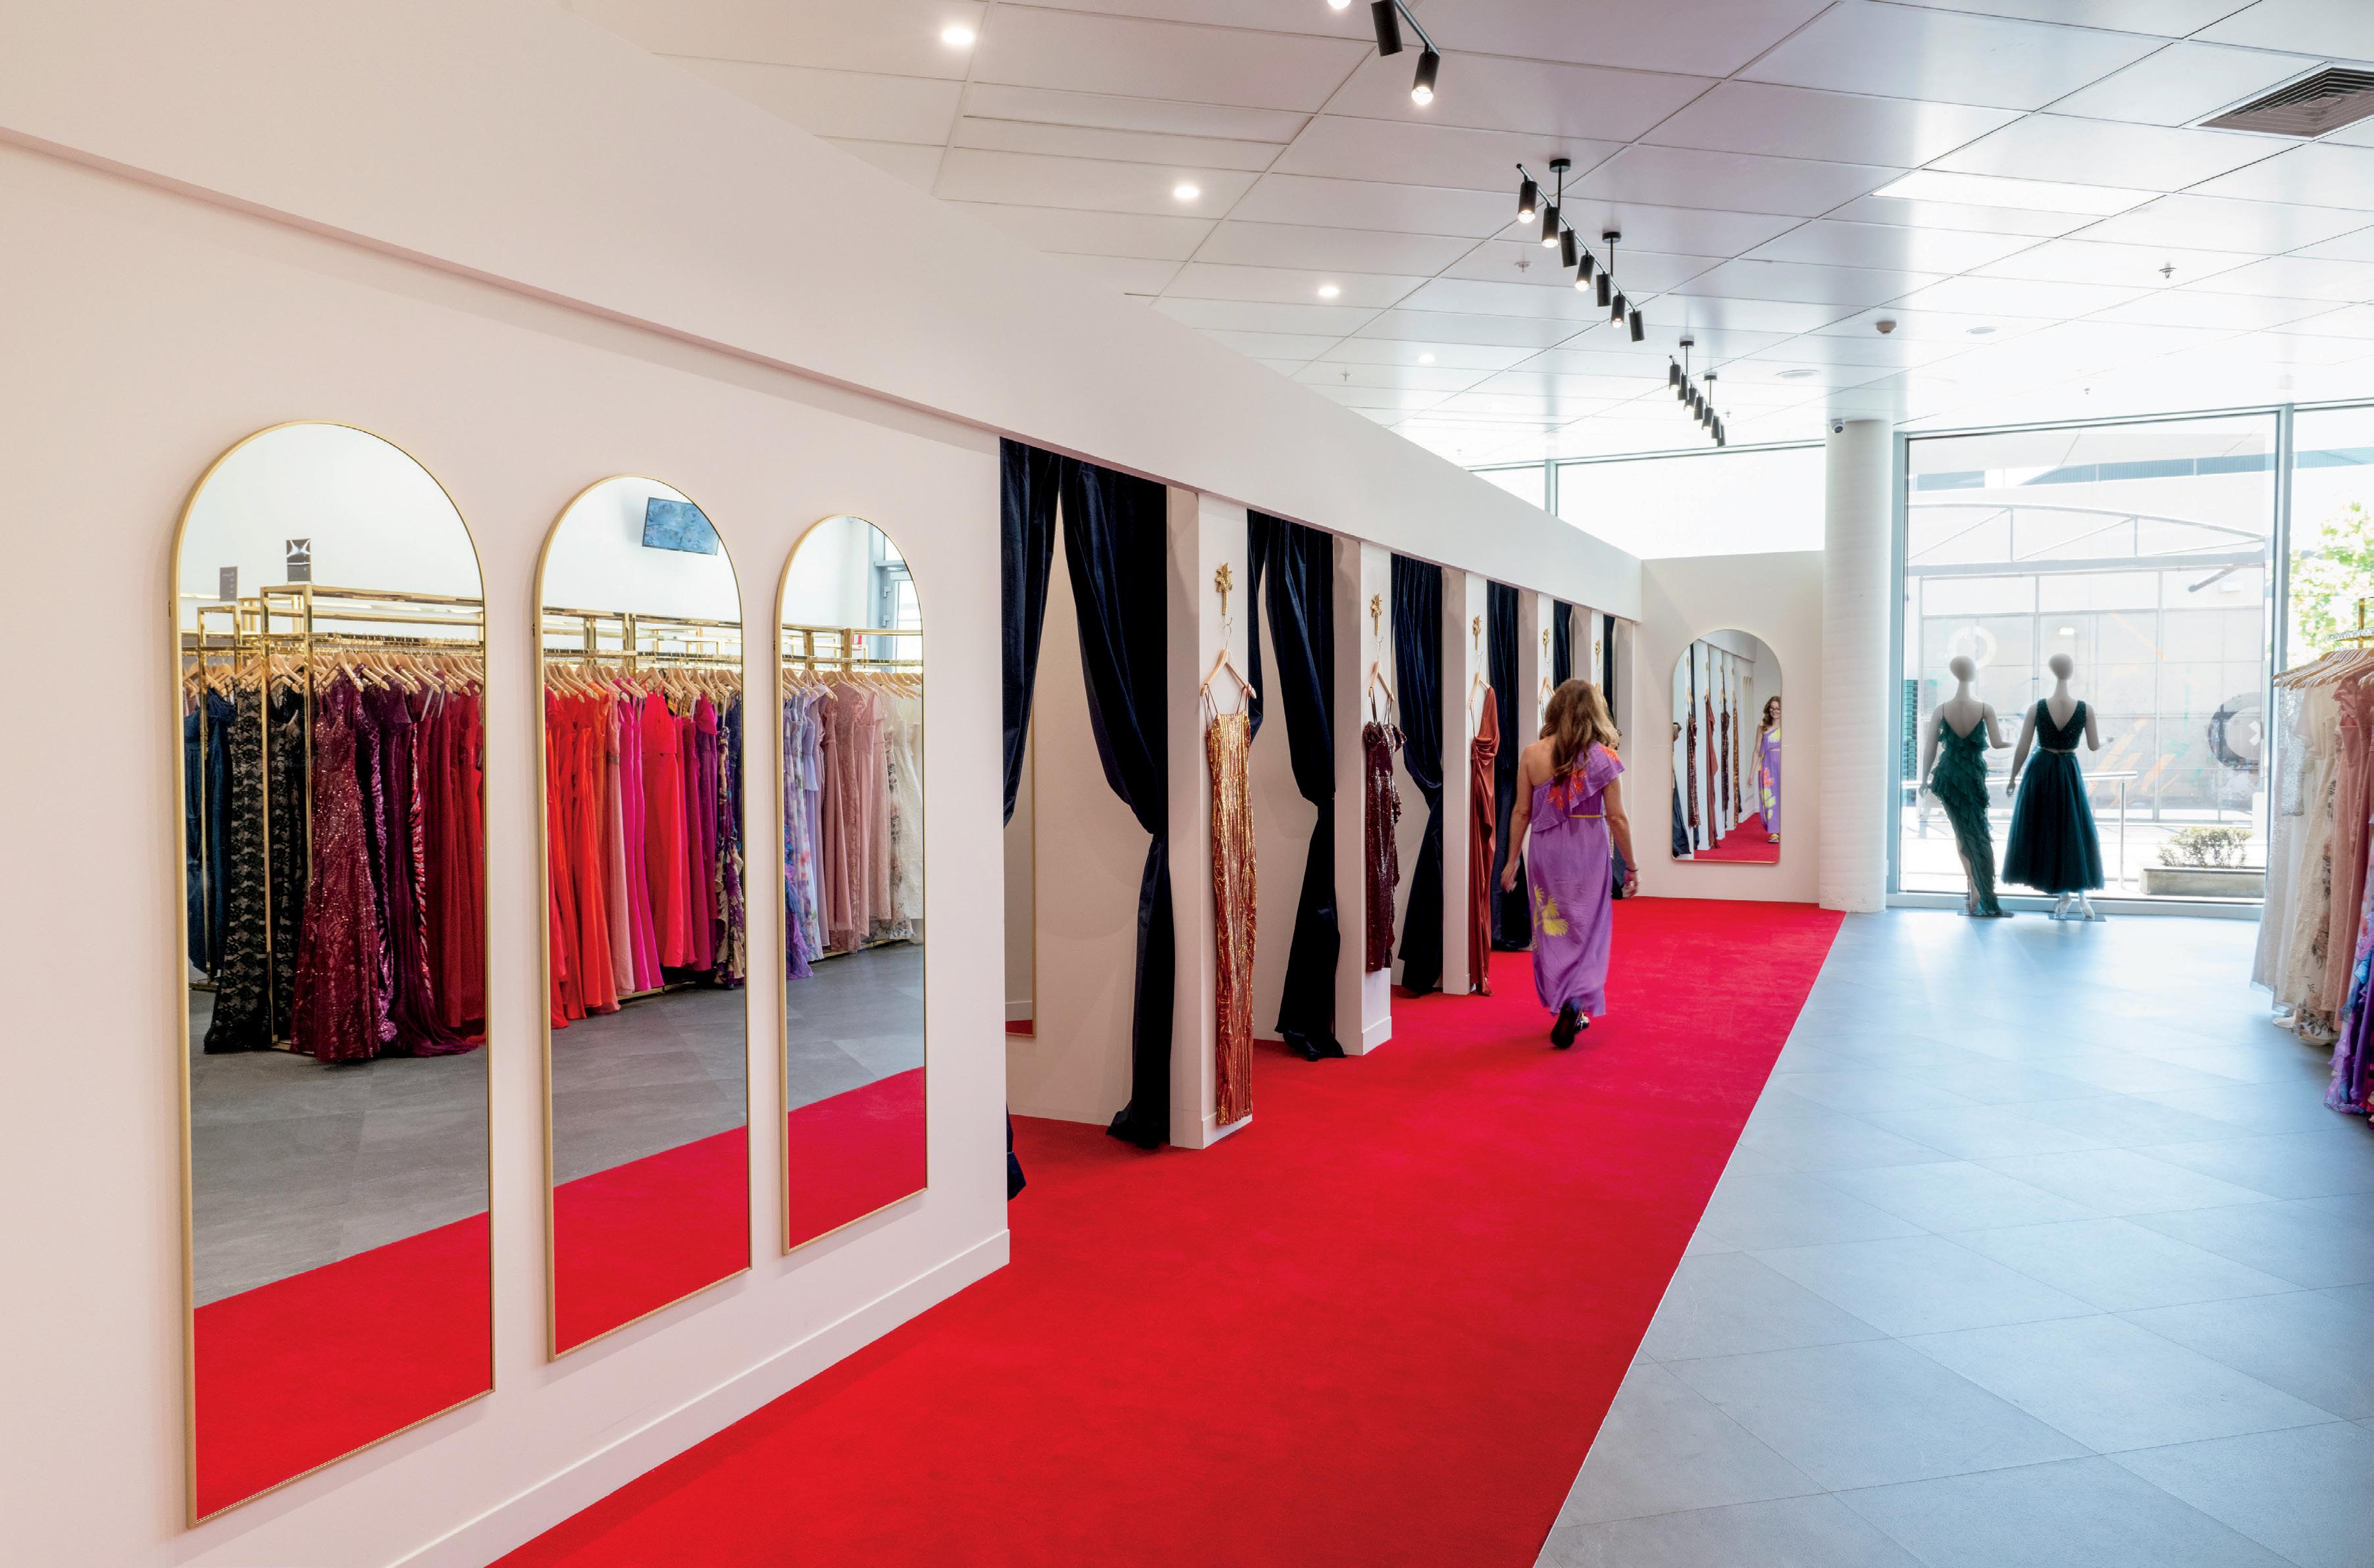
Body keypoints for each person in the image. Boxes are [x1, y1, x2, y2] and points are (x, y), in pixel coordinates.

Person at [1501, 680, 1635, 1048]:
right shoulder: (1604, 758)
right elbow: (1617, 818)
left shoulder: (1532, 754)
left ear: (1555, 709)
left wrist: (1511, 861)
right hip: (1588, 847)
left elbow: (1521, 812)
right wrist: (1632, 865)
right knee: (1588, 926)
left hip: (1546, 851)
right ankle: (1576, 999)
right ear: (1594, 712)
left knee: (1551, 926)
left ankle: (1564, 999)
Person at [1755, 695, 1782, 844]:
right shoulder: (1762, 727)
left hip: (1785, 765)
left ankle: (1787, 828)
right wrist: (1751, 773)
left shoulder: (1789, 726)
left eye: (1778, 709)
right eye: (1772, 708)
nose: (1774, 711)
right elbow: (1757, 750)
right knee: (1770, 797)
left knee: (1785, 797)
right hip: (1767, 768)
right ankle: (1774, 832)